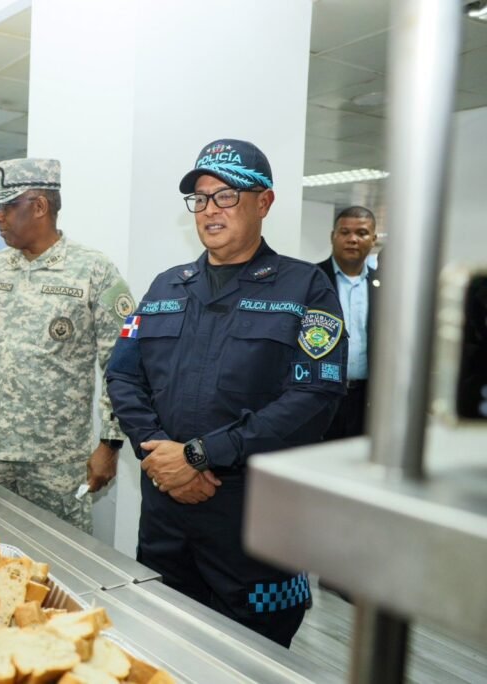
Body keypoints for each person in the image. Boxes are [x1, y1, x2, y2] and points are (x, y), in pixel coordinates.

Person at [105, 139, 347, 648]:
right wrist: (160, 456)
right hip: (167, 514)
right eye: (201, 198)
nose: (210, 210)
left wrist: (199, 455)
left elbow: (313, 400)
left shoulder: (305, 289)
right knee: (162, 645)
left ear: (265, 202)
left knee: (250, 655)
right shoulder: (167, 287)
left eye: (227, 196)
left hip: (254, 522)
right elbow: (123, 377)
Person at [0, 159, 133, 533]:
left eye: (7, 207)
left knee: (62, 563)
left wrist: (110, 444)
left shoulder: (94, 271)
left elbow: (122, 364)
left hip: (57, 462)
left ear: (39, 206)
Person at [316, 206, 379, 440]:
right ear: (333, 236)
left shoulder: (386, 286)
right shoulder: (311, 279)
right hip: (321, 394)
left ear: (373, 239)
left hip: (368, 399)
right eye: (345, 232)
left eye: (361, 233)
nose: (352, 239)